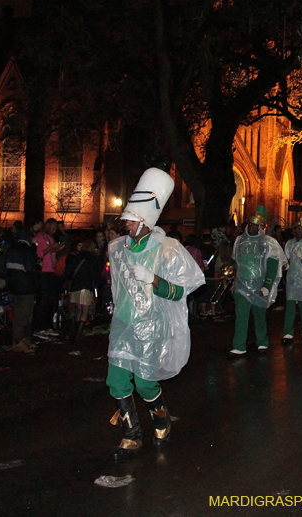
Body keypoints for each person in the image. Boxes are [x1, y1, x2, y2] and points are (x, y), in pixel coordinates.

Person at [107, 167, 204, 461]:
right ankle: (131, 434)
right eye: (126, 219)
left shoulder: (168, 249)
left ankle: (161, 419)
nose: (126, 224)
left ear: (145, 221)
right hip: (123, 326)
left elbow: (181, 291)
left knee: (146, 383)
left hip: (151, 328)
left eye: (131, 220)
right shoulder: (116, 249)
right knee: (116, 380)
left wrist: (154, 280)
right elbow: (116, 288)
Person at [229, 205, 287, 357]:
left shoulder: (268, 242)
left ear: (261, 227)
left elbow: (273, 265)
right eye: (250, 224)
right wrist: (234, 281)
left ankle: (262, 341)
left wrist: (267, 285)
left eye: (256, 225)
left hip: (259, 285)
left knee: (259, 315)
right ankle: (239, 346)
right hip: (241, 285)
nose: (252, 227)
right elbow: (236, 262)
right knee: (241, 316)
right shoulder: (239, 241)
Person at [5, 229, 40, 354]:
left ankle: (21, 339)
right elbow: (31, 269)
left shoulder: (11, 249)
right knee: (23, 314)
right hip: (26, 286)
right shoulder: (28, 251)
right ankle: (18, 341)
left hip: (14, 286)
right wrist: (38, 267)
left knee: (17, 312)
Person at [34, 218, 65, 339]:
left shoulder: (50, 238)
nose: (54, 231)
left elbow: (51, 251)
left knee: (50, 300)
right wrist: (51, 247)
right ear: (47, 225)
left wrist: (56, 249)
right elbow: (39, 254)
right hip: (43, 272)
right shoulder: (39, 237)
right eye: (53, 228)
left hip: (51, 271)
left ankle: (47, 326)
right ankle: (38, 327)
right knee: (42, 300)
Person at [64, 239, 99, 340]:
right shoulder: (92, 258)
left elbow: (69, 271)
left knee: (79, 310)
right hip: (85, 286)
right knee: (85, 311)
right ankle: (78, 333)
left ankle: (74, 331)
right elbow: (94, 274)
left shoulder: (77, 257)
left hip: (75, 286)